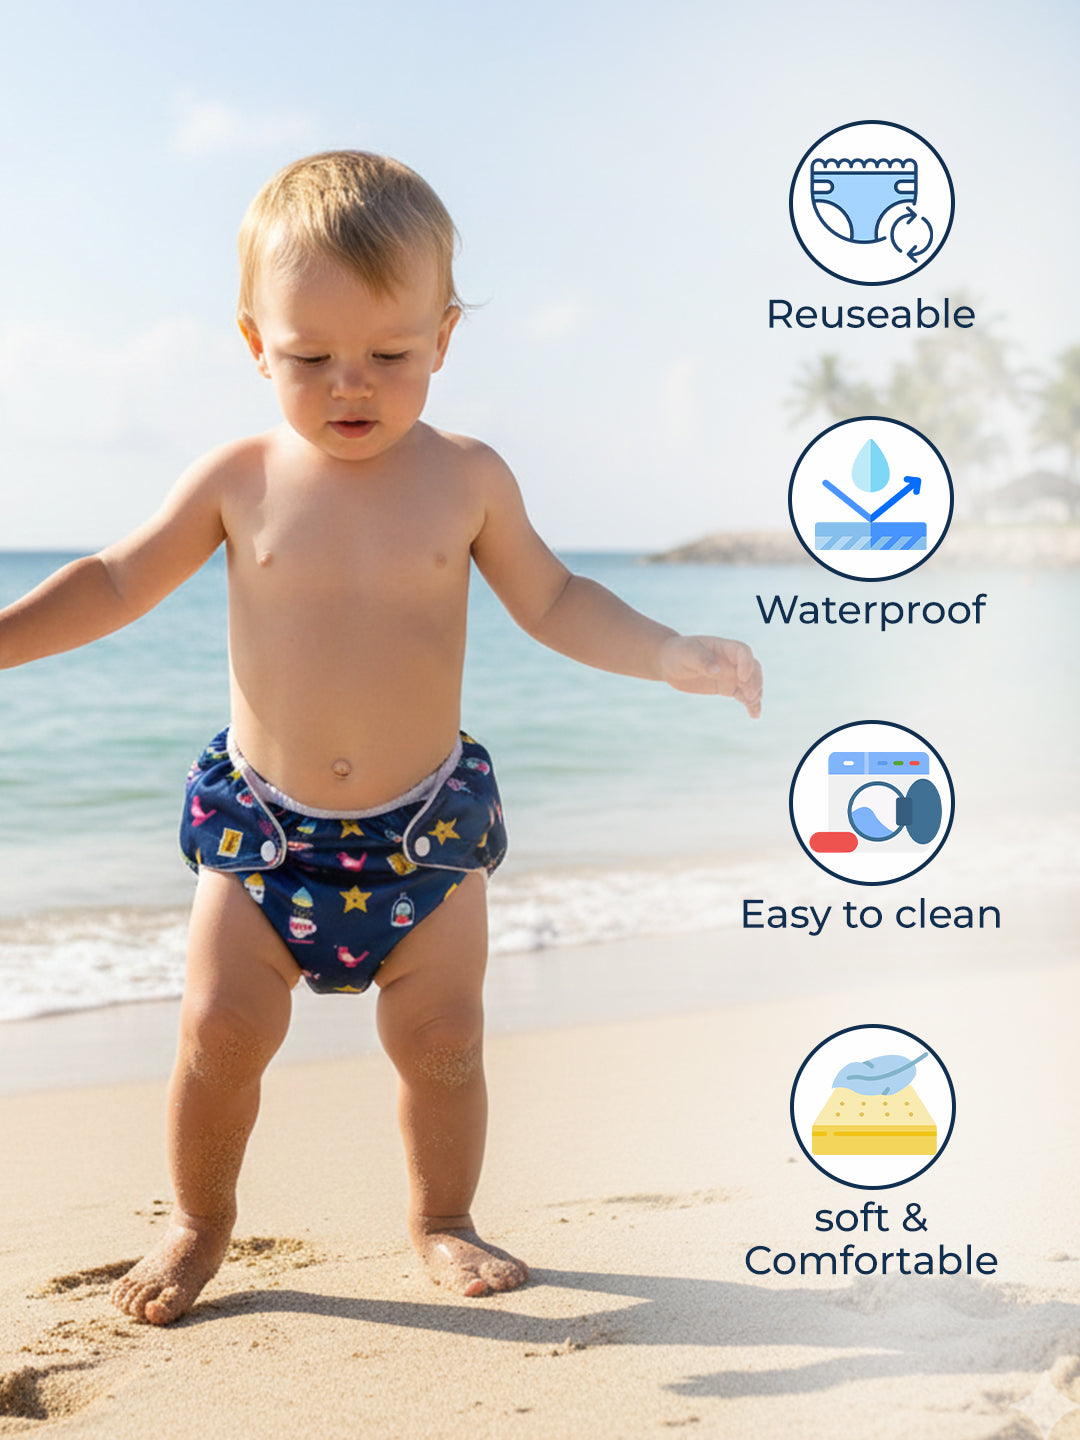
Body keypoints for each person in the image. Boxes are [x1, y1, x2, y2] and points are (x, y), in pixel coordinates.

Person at [0, 151, 762, 1325]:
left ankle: (442, 1217)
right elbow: (112, 581)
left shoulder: (466, 480)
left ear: (445, 337)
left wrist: (668, 652)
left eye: (390, 356)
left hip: (426, 830)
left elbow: (556, 601)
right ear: (255, 341)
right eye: (309, 359)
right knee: (218, 1033)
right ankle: (199, 1223)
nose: (349, 385)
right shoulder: (239, 477)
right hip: (264, 831)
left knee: (445, 1038)